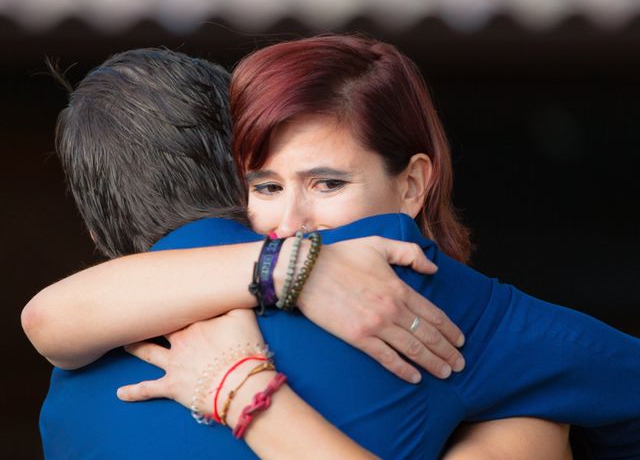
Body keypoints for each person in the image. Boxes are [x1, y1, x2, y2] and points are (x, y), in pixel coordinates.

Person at [24, 36, 639, 457]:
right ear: (237, 174)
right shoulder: (404, 283)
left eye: (328, 182)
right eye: (267, 184)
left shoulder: (66, 396)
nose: (292, 222)